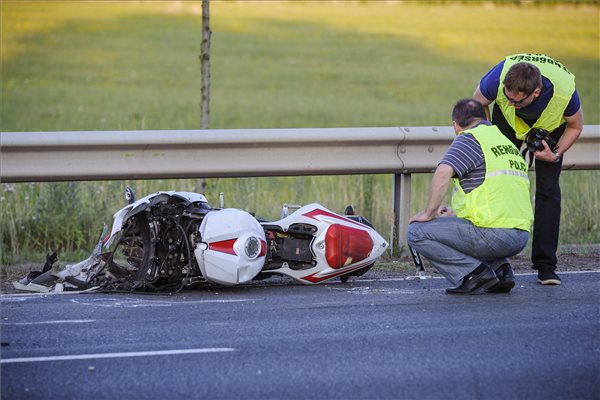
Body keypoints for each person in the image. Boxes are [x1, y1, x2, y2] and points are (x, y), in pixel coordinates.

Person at [473, 53, 584, 285]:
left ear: (536, 92)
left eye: (517, 101)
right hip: (506, 123)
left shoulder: (565, 90)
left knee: (548, 190)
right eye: (507, 97)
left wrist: (555, 154)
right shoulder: (499, 76)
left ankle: (546, 266)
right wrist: (490, 137)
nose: (510, 103)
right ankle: (496, 262)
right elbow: (478, 103)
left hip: (550, 127)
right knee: (498, 184)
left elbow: (575, 125)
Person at [407, 98, 533, 295]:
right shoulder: (503, 141)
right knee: (467, 227)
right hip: (520, 236)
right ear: (484, 118)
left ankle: (473, 275)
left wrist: (429, 213)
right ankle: (501, 270)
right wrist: (452, 213)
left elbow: (443, 172)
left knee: (416, 232)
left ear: (455, 125)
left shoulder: (469, 138)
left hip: (494, 234)